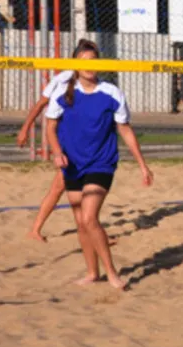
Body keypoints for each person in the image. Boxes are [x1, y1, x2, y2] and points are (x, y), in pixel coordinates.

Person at [44, 39, 153, 289]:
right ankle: (93, 273)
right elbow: (51, 127)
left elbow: (125, 130)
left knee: (91, 217)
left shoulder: (111, 93)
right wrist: (57, 152)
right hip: (72, 164)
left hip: (101, 163)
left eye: (94, 61)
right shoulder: (63, 93)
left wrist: (142, 165)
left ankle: (112, 273)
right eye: (83, 62)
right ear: (74, 65)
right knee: (81, 222)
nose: (89, 66)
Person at [18, 57, 77, 242]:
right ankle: (35, 230)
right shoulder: (62, 80)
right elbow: (40, 104)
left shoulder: (97, 82)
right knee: (67, 185)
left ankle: (36, 229)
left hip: (81, 138)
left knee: (66, 186)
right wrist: (25, 128)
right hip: (66, 137)